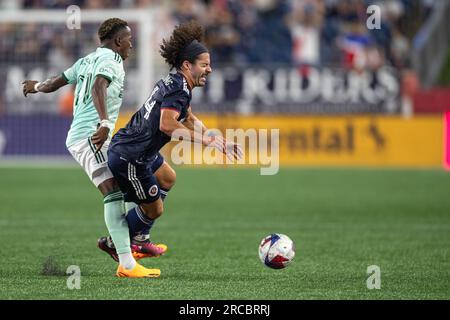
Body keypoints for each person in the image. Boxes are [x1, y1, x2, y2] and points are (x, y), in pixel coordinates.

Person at [22, 18, 163, 278]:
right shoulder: (110, 61)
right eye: (129, 39)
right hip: (90, 136)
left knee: (123, 187)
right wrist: (105, 124)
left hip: (93, 134)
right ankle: (127, 262)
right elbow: (99, 85)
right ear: (118, 41)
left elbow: (57, 81)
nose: (132, 44)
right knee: (113, 193)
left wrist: (37, 87)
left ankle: (130, 244)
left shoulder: (87, 59)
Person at [99, 21, 242, 275]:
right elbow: (167, 125)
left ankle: (140, 239)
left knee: (168, 176)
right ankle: (116, 243)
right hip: (131, 156)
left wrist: (213, 136)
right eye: (205, 65)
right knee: (155, 209)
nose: (209, 69)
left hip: (137, 149)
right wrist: (206, 142)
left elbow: (186, 117)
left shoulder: (178, 82)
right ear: (188, 65)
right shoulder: (179, 87)